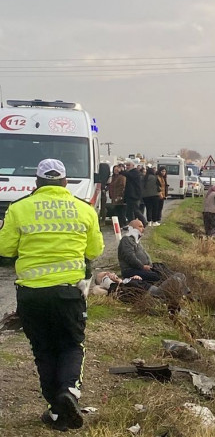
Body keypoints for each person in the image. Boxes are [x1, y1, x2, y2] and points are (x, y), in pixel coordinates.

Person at [0, 159, 104, 431]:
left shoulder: (19, 208)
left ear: (37, 183)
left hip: (31, 296)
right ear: (65, 183)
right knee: (71, 345)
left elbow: (5, 249)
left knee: (43, 350)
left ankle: (57, 413)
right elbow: (94, 251)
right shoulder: (84, 209)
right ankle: (69, 393)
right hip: (68, 294)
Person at [122, 160, 147, 226]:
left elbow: (129, 175)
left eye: (128, 165)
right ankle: (132, 224)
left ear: (133, 166)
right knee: (130, 212)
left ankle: (143, 222)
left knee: (135, 210)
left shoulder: (135, 172)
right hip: (131, 195)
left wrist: (121, 171)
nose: (127, 167)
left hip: (134, 195)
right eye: (126, 165)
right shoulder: (132, 172)